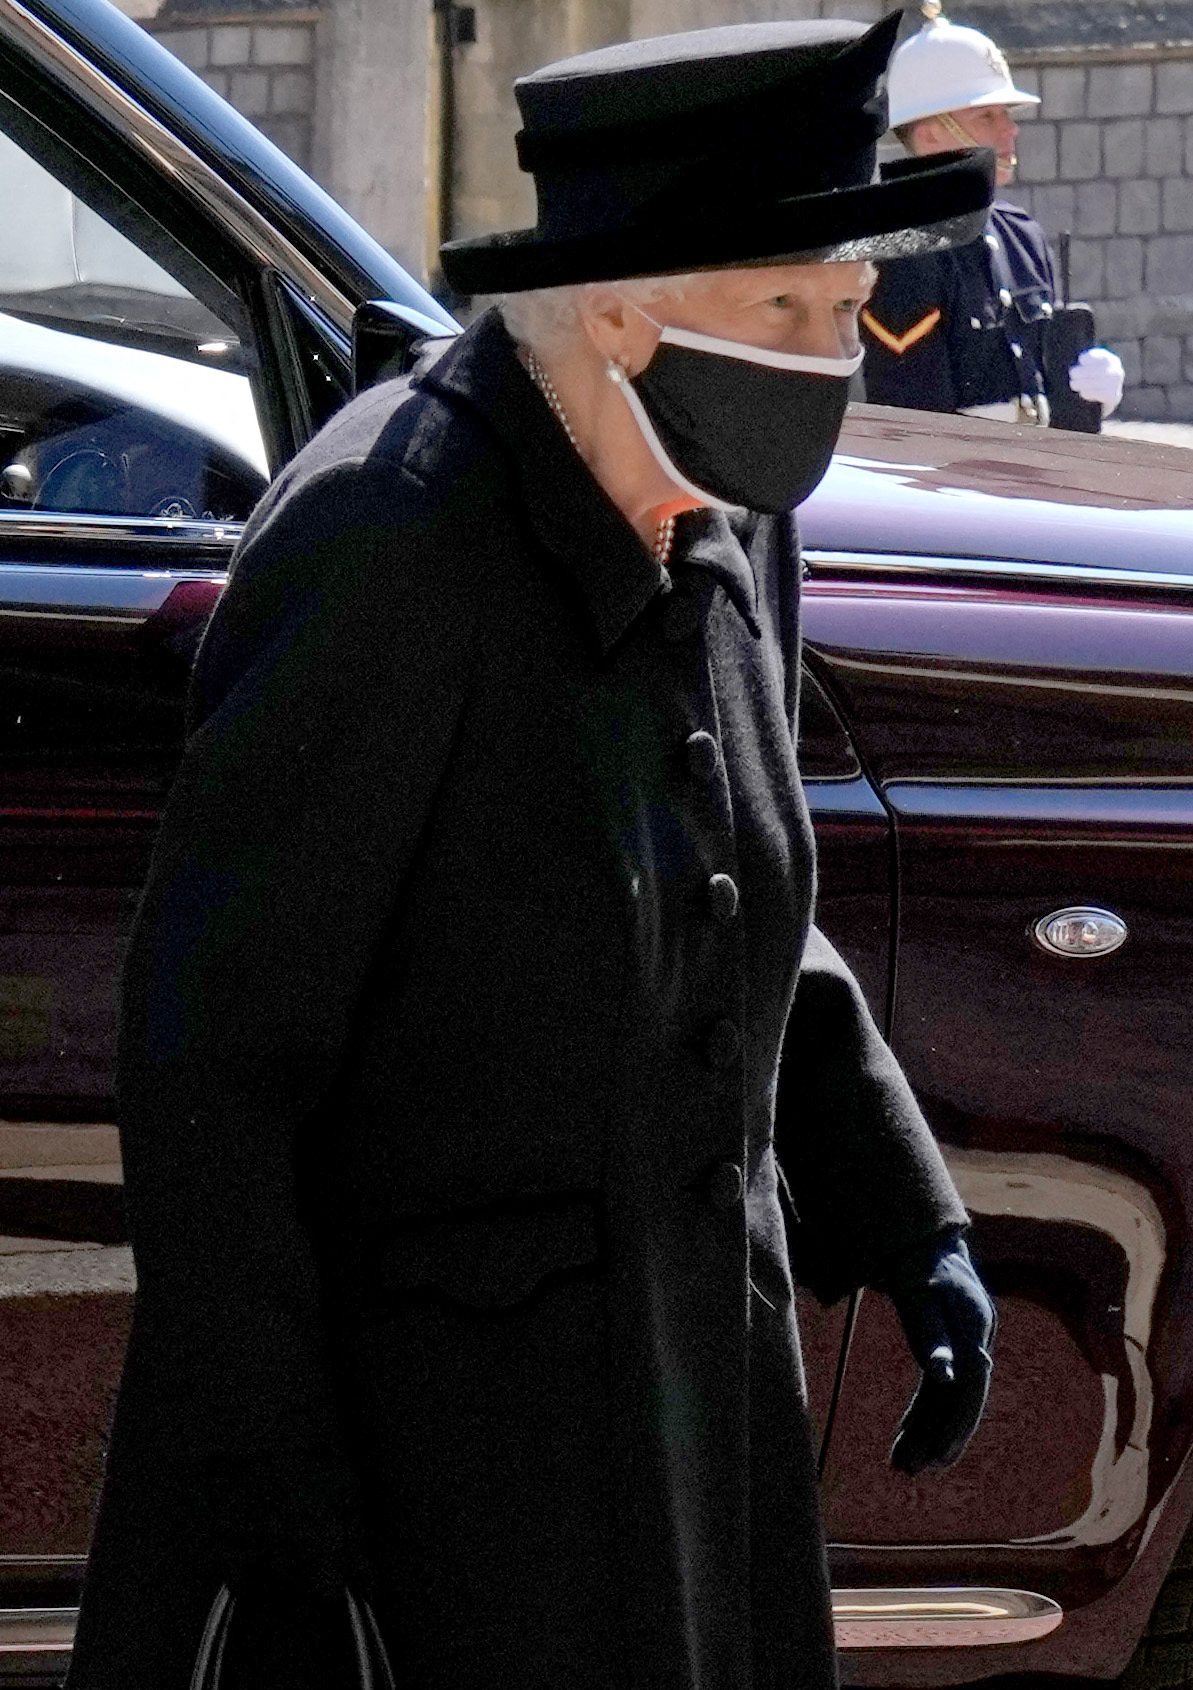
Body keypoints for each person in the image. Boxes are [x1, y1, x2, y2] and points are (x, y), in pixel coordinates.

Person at [66, 16, 997, 1690]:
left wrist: (905, 1215)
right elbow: (216, 1067)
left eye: (843, 305)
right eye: (780, 306)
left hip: (692, 1405)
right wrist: (271, 1489)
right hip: (443, 1464)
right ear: (622, 309)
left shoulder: (725, 515)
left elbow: (746, 901)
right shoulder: (390, 541)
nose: (830, 353)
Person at [861, 0, 1125, 428]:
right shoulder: (898, 248)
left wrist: (1085, 393)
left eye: (1006, 114)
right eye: (987, 115)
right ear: (931, 134)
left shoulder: (1020, 234)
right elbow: (912, 415)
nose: (1010, 129)